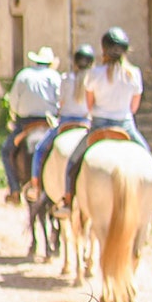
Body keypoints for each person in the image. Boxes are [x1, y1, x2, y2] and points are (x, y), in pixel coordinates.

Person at [56, 27, 152, 214]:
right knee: (147, 157)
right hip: (125, 125)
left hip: (99, 125)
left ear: (104, 50)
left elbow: (89, 105)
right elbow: (134, 107)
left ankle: (68, 200)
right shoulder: (134, 74)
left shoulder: (94, 74)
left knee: (73, 162)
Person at [26, 44, 96, 199]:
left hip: (65, 122)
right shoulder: (94, 80)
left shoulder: (66, 78)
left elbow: (61, 103)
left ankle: (35, 186)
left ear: (75, 62)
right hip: (87, 123)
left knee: (39, 149)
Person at [1, 45, 61, 205]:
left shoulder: (23, 75)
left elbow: (13, 102)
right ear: (49, 63)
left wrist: (16, 113)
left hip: (26, 124)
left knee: (6, 151)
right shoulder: (55, 76)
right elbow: (60, 102)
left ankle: (14, 189)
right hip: (49, 122)